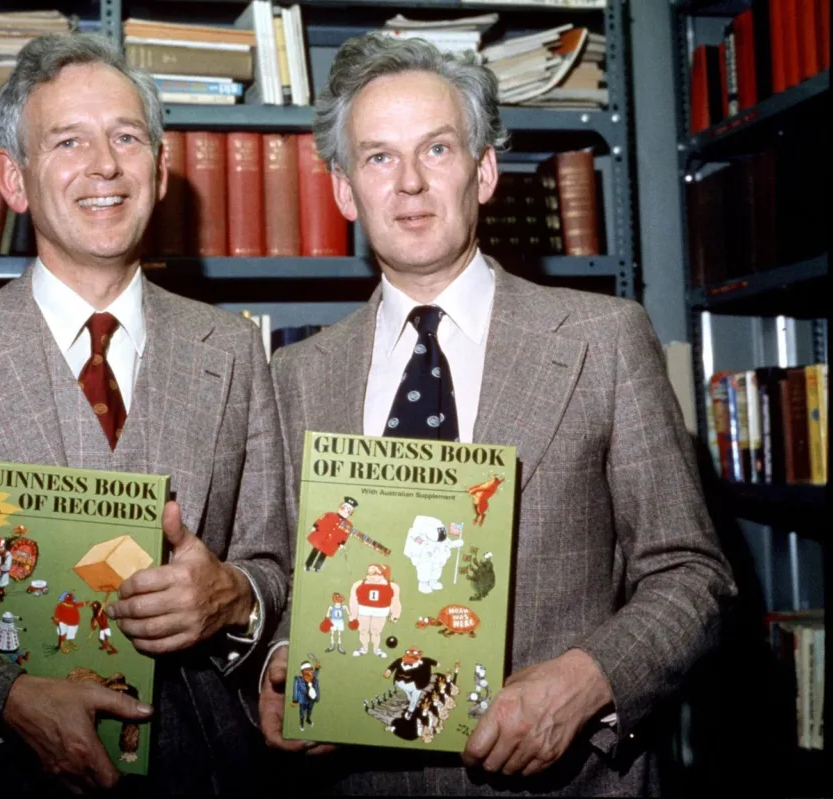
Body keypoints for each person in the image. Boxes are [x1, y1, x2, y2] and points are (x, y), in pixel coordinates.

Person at [0, 33, 287, 795]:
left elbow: (272, 563)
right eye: (68, 141)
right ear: (13, 179)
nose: (105, 165)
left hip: (198, 770)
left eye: (126, 137)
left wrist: (236, 595)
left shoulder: (230, 349)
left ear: (160, 170)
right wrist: (0, 699)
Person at [258, 33, 736, 795]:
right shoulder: (296, 376)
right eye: (379, 157)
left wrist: (586, 681)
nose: (409, 183)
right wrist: (283, 662)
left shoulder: (603, 339)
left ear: (483, 172)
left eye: (436, 149)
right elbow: (288, 576)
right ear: (345, 191)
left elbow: (692, 575)